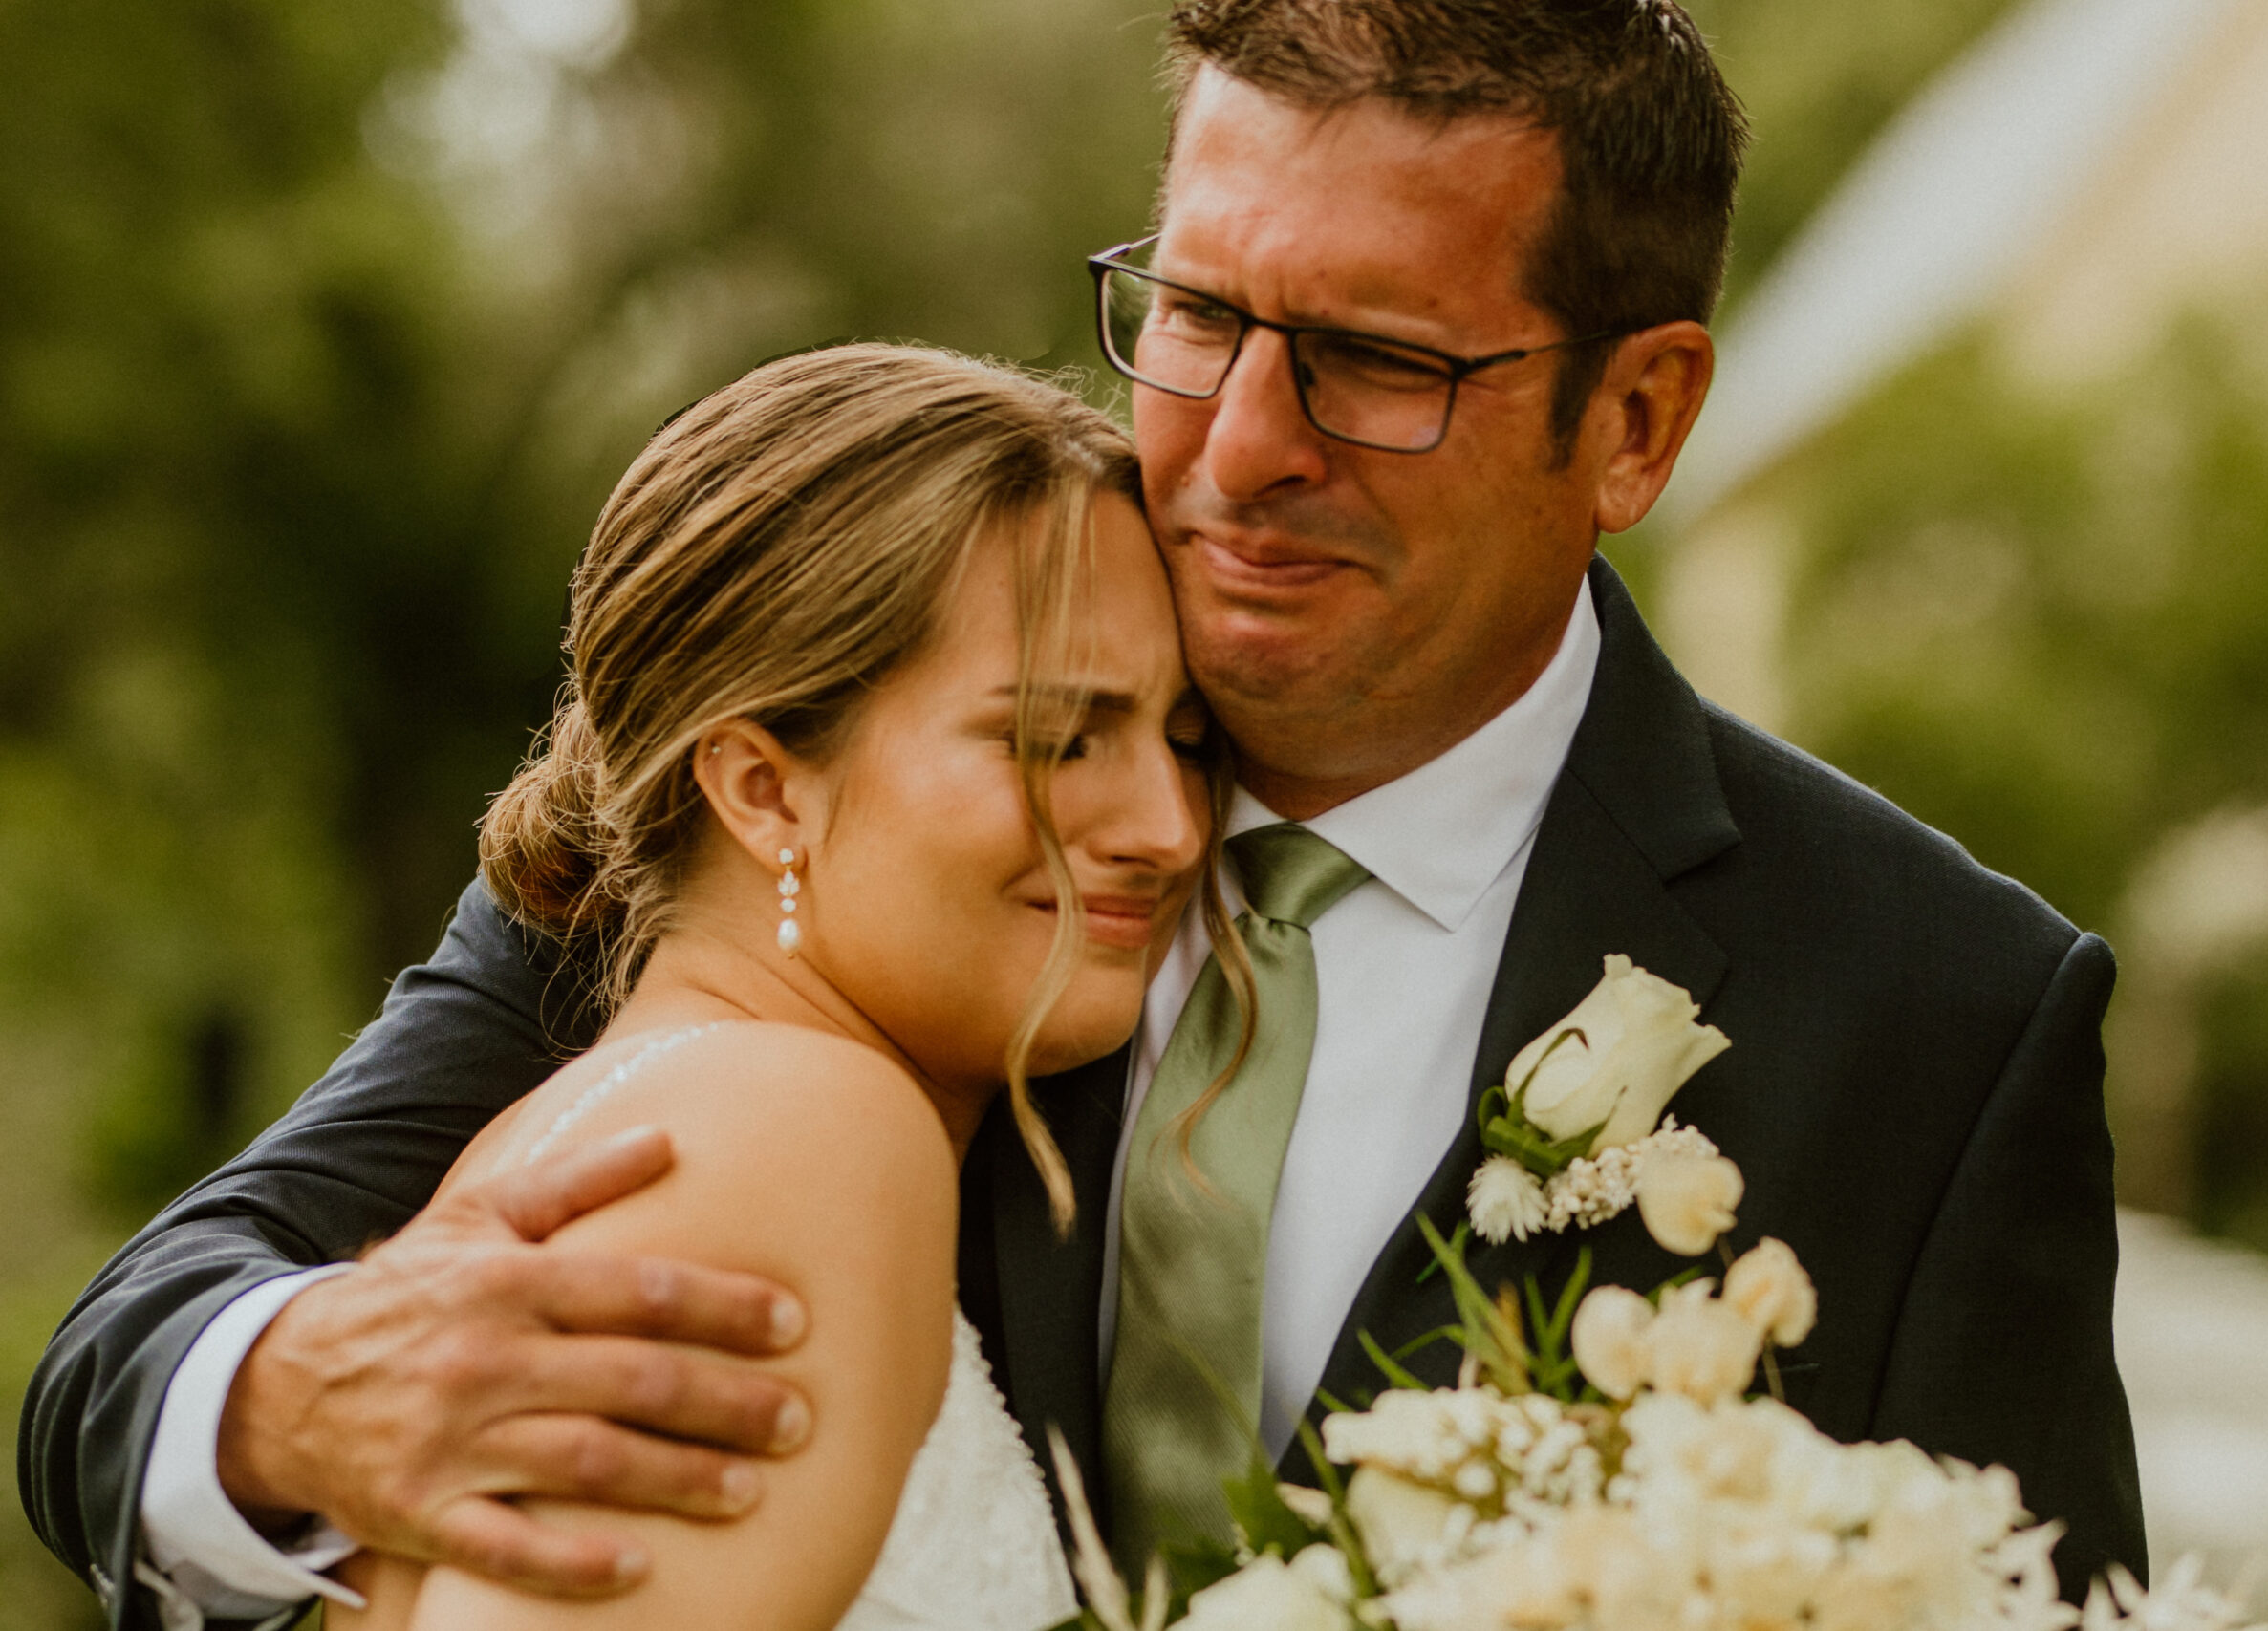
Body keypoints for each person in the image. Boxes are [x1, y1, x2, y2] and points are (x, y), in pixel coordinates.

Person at [21, 2, 2147, 1625]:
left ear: (1634, 416)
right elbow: (145, 1328)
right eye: (1202, 312)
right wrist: (292, 1395)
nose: (1235, 445)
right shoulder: (844, 781)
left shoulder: (1937, 1020)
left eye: (1371, 359)